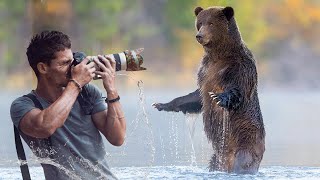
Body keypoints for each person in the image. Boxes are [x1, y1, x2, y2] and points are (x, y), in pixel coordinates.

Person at [10, 30, 126, 179]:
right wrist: (76, 83)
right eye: (64, 63)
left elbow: (117, 138)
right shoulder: (23, 105)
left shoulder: (87, 93)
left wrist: (111, 89)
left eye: (72, 61)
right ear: (43, 68)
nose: (73, 69)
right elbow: (45, 127)